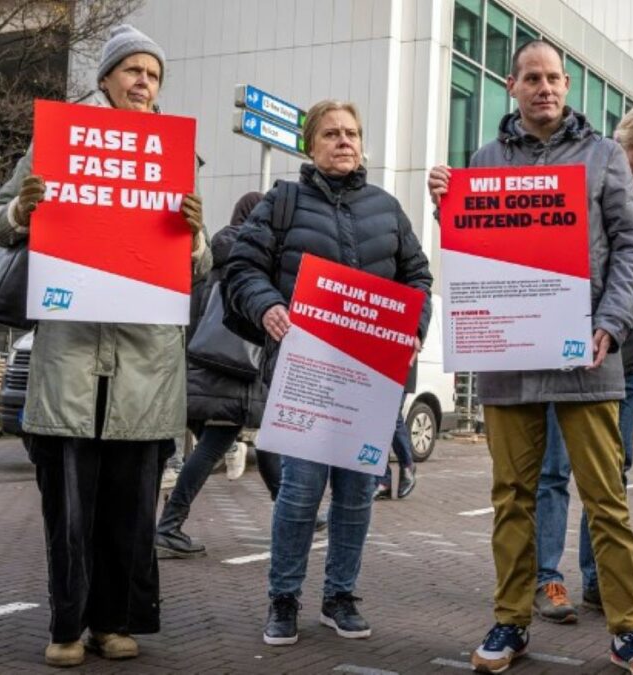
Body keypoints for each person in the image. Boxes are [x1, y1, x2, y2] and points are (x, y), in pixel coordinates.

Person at [428, 40, 633, 675]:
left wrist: (612, 325)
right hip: (510, 363)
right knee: (513, 495)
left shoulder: (604, 156)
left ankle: (630, 629)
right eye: (532, 77)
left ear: (568, 87)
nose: (545, 87)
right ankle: (511, 621)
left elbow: (632, 247)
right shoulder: (482, 161)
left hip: (587, 359)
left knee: (606, 499)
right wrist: (446, 209)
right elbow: (476, 252)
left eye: (555, 78)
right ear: (511, 85)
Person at [0, 25, 211, 667]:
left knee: (130, 509)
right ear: (106, 79)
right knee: (69, 507)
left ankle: (113, 623)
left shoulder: (177, 157)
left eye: (154, 74)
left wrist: (195, 240)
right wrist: (23, 213)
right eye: (133, 70)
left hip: (144, 366)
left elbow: (200, 263)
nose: (144, 82)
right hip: (72, 360)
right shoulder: (56, 146)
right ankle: (65, 627)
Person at [225, 99, 432, 646]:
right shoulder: (282, 203)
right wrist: (266, 304)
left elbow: (418, 276)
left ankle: (340, 595)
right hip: (305, 376)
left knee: (358, 494)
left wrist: (416, 326)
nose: (345, 141)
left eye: (353, 133)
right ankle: (284, 598)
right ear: (310, 145)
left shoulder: (387, 209)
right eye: (333, 133)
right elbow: (241, 268)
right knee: (299, 493)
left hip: (370, 380)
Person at [530, 104, 633, 623]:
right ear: (620, 146)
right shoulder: (587, 182)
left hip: (627, 361)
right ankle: (548, 579)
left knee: (611, 475)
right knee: (553, 471)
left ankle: (595, 579)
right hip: (567, 352)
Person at [155, 193, 328, 559]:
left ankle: (300, 518)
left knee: (262, 441)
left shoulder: (214, 250)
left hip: (217, 363)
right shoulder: (250, 253)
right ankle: (169, 524)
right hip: (239, 366)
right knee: (222, 446)